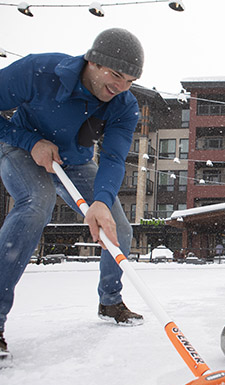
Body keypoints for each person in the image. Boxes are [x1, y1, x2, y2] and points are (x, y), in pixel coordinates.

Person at [0, 28, 146, 362]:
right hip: (20, 148)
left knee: (117, 228)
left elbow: (112, 157)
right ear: (93, 61)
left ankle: (110, 300)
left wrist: (101, 200)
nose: (121, 87)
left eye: (131, 80)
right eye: (116, 75)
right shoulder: (39, 72)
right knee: (37, 203)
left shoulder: (124, 105)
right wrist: (28, 141)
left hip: (75, 164)